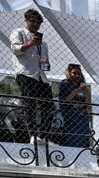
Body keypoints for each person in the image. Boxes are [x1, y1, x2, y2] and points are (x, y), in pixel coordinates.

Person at [10, 9, 53, 140]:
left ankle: (43, 135)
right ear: (26, 21)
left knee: (49, 105)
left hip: (40, 76)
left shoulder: (43, 43)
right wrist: (30, 43)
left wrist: (46, 64)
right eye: (32, 21)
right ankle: (32, 135)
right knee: (29, 103)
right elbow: (16, 49)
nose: (35, 24)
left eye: (38, 22)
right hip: (26, 73)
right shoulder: (19, 32)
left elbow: (45, 61)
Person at [59, 63, 92, 148]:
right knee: (72, 139)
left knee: (84, 139)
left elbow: (88, 105)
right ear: (69, 73)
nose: (77, 75)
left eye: (79, 73)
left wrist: (87, 92)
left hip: (82, 117)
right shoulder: (65, 84)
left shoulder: (82, 86)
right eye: (74, 73)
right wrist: (76, 92)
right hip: (71, 117)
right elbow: (65, 101)